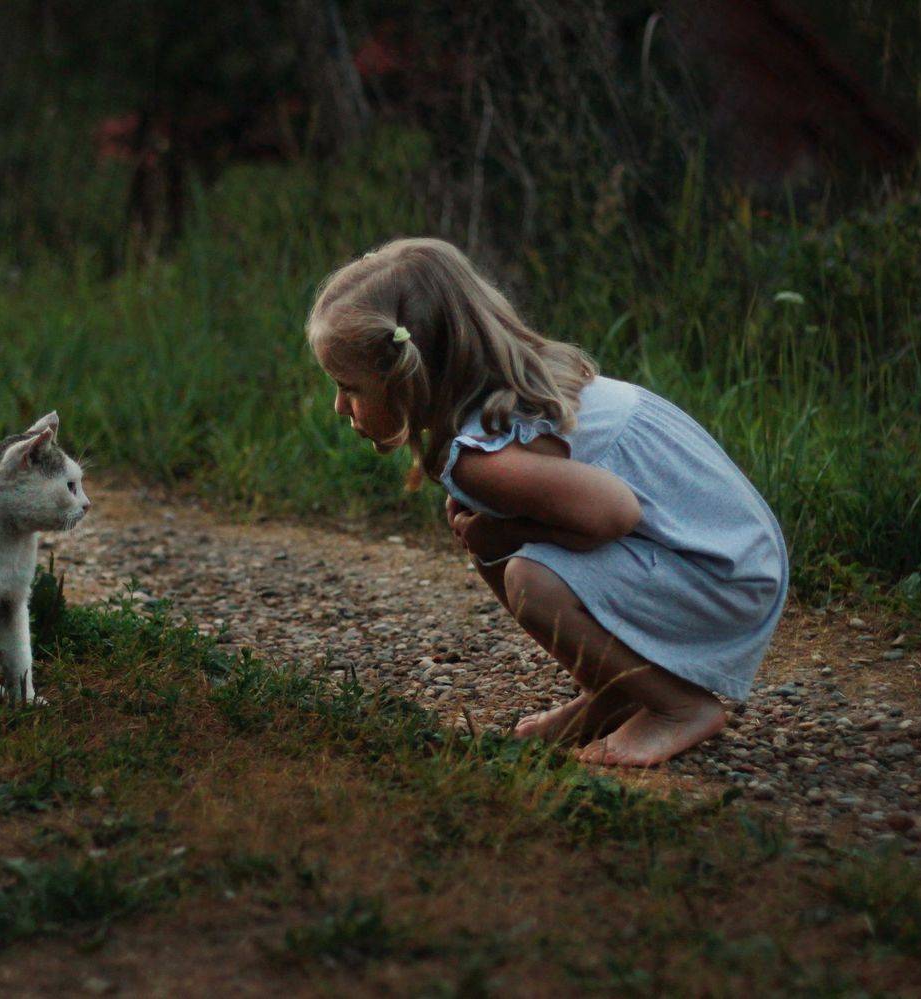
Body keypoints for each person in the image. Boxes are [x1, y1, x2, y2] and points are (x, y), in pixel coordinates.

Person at [306, 238, 787, 766]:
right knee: (479, 521)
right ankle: (617, 691)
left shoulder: (480, 460)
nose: (340, 405)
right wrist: (498, 529)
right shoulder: (521, 388)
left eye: (349, 387)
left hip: (722, 577)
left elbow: (616, 512)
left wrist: (509, 532)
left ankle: (678, 707)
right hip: (730, 558)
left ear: (408, 375)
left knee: (529, 577)